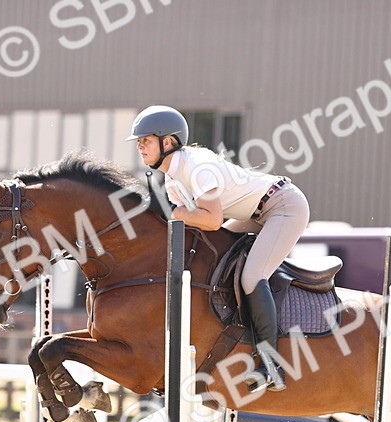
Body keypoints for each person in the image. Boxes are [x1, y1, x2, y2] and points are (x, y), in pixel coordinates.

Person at [127, 105, 310, 393]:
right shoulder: (172, 179)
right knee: (218, 259)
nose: (140, 147)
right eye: (138, 142)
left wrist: (172, 213)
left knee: (251, 277)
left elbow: (211, 220)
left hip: (283, 207)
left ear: (167, 141)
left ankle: (272, 366)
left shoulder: (197, 165)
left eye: (145, 140)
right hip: (255, 213)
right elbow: (193, 226)